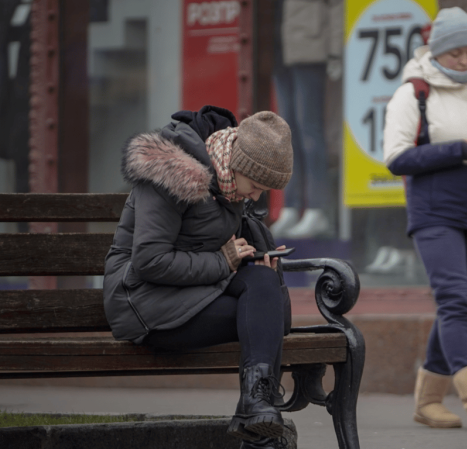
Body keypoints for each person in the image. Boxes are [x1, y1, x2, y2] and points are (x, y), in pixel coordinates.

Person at [103, 106, 294, 449]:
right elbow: (148, 262)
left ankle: (256, 408)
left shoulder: (229, 184)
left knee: (264, 286)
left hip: (196, 291)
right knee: (264, 315)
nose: (255, 197)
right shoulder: (172, 172)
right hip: (145, 302)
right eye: (255, 185)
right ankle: (258, 432)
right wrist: (224, 262)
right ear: (238, 164)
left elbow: (213, 246)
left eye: (264, 191)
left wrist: (254, 256)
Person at [383, 7, 467, 431]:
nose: (466, 61)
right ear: (437, 52)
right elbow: (396, 158)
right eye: (457, 53)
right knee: (455, 299)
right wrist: (461, 150)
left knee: (459, 306)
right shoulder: (414, 93)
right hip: (435, 213)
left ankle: (427, 402)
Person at [268, 0, 343, 239]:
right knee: (287, 134)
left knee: (310, 131)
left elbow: (336, 6)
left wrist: (334, 51)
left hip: (310, 50)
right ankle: (292, 205)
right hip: (280, 49)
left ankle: (317, 209)